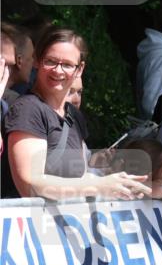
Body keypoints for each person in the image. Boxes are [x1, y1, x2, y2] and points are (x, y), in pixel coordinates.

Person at [2, 27, 151, 201]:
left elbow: (79, 177)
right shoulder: (28, 109)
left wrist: (120, 184)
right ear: (37, 61)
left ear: (79, 69)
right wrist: (99, 186)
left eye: (67, 64)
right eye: (50, 61)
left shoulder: (73, 114)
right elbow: (30, 185)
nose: (58, 70)